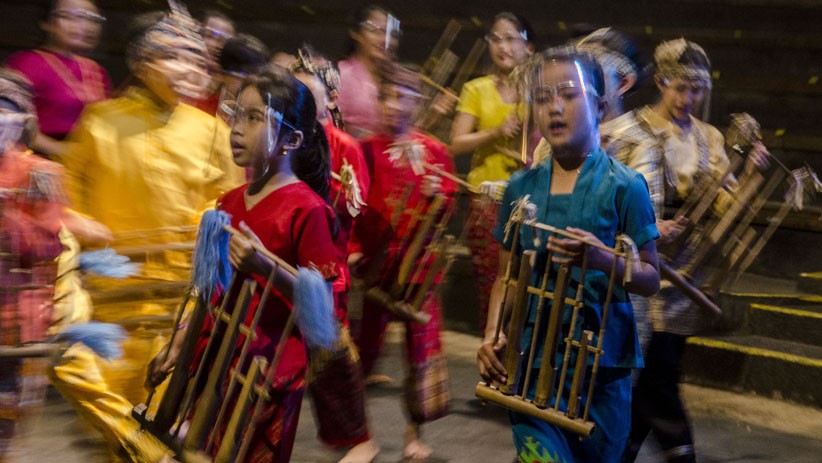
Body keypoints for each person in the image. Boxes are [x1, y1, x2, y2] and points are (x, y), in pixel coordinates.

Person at [48, 8, 241, 462]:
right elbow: (67, 204)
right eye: (175, 57)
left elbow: (230, 209)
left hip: (183, 310)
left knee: (172, 425)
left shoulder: (213, 130)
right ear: (142, 61)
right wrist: (77, 233)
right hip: (113, 305)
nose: (190, 70)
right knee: (119, 430)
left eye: (197, 60)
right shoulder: (100, 123)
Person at [476, 47, 661, 463]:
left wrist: (601, 261)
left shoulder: (626, 185)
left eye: (567, 94)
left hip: (600, 369)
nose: (554, 108)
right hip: (529, 364)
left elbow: (650, 277)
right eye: (541, 98)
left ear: (599, 104)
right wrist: (492, 336)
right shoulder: (519, 187)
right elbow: (506, 277)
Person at [604, 39, 769, 463]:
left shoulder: (709, 138)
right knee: (652, 377)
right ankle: (678, 451)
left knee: (657, 373)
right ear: (660, 82)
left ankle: (624, 452)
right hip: (637, 268)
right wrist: (647, 226)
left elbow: (727, 208)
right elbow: (607, 197)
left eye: (696, 90)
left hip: (681, 278)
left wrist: (749, 175)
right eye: (679, 87)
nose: (687, 99)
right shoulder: (627, 132)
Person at [350, 62, 455, 461]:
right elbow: (354, 205)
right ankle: (362, 433)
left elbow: (446, 213)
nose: (396, 105)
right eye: (389, 96)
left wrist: (437, 195)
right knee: (363, 352)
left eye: (404, 97)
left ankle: (414, 433)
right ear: (379, 101)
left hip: (419, 269)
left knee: (420, 352)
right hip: (376, 266)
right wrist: (354, 249)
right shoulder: (364, 149)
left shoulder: (436, 152)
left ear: (417, 102)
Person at [291, 51, 379, 463]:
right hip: (280, 262)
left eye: (312, 94)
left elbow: (353, 209)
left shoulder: (345, 147)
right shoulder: (284, 135)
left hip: (325, 269)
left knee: (330, 361)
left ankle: (358, 436)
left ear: (331, 100)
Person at [448, 12, 535, 333]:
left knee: (528, 283)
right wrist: (496, 131)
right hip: (487, 199)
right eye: (496, 38)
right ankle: (494, 349)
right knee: (492, 283)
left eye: (511, 38)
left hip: (531, 199)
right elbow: (456, 143)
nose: (503, 46)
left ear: (528, 45)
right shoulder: (476, 89)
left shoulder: (539, 90)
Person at [5, 0, 110, 158]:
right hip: (38, 162)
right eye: (70, 16)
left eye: (92, 19)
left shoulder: (96, 70)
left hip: (86, 164)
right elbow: (8, 120)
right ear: (46, 23)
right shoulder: (25, 63)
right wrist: (61, 150)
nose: (84, 25)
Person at [337, 4, 400, 139]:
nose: (385, 40)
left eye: (391, 34)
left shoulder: (399, 78)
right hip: (350, 157)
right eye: (376, 31)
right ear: (356, 33)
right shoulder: (341, 75)